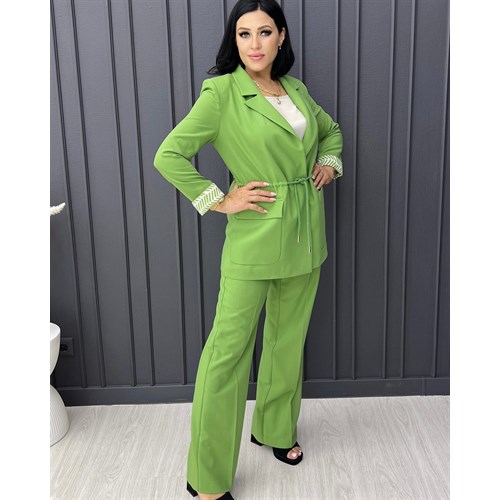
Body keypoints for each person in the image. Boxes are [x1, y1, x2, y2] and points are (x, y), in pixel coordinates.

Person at [153, 1, 343, 498]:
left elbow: (330, 131)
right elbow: (168, 155)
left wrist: (329, 161)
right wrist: (219, 199)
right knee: (228, 353)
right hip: (254, 238)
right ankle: (207, 476)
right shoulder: (221, 93)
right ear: (234, 40)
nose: (254, 44)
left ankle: (275, 430)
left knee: (287, 343)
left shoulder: (295, 89)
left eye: (264, 32)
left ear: (281, 36)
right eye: (243, 34)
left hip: (306, 236)